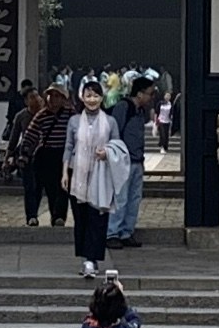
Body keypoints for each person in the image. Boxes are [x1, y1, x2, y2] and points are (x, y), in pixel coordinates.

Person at [62, 83, 120, 278]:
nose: (92, 99)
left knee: (98, 218)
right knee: (81, 218)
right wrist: (64, 173)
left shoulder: (110, 122)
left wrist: (107, 153)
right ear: (82, 97)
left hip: (101, 175)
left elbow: (117, 146)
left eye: (96, 96)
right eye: (88, 95)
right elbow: (69, 147)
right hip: (77, 175)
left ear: (102, 98)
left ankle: (92, 259)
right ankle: (85, 258)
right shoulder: (74, 121)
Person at [12, 81, 75, 231]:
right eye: (50, 96)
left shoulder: (71, 115)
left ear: (63, 98)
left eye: (56, 96)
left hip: (64, 155)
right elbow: (30, 135)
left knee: (63, 188)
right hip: (46, 154)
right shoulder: (42, 115)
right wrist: (24, 154)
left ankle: (59, 216)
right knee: (48, 187)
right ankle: (42, 215)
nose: (53, 99)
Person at [109, 77, 156, 244]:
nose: (151, 98)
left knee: (134, 198)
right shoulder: (124, 107)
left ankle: (126, 232)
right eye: (149, 94)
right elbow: (114, 133)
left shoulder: (140, 111)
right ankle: (112, 233)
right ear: (139, 93)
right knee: (120, 198)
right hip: (123, 160)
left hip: (137, 160)